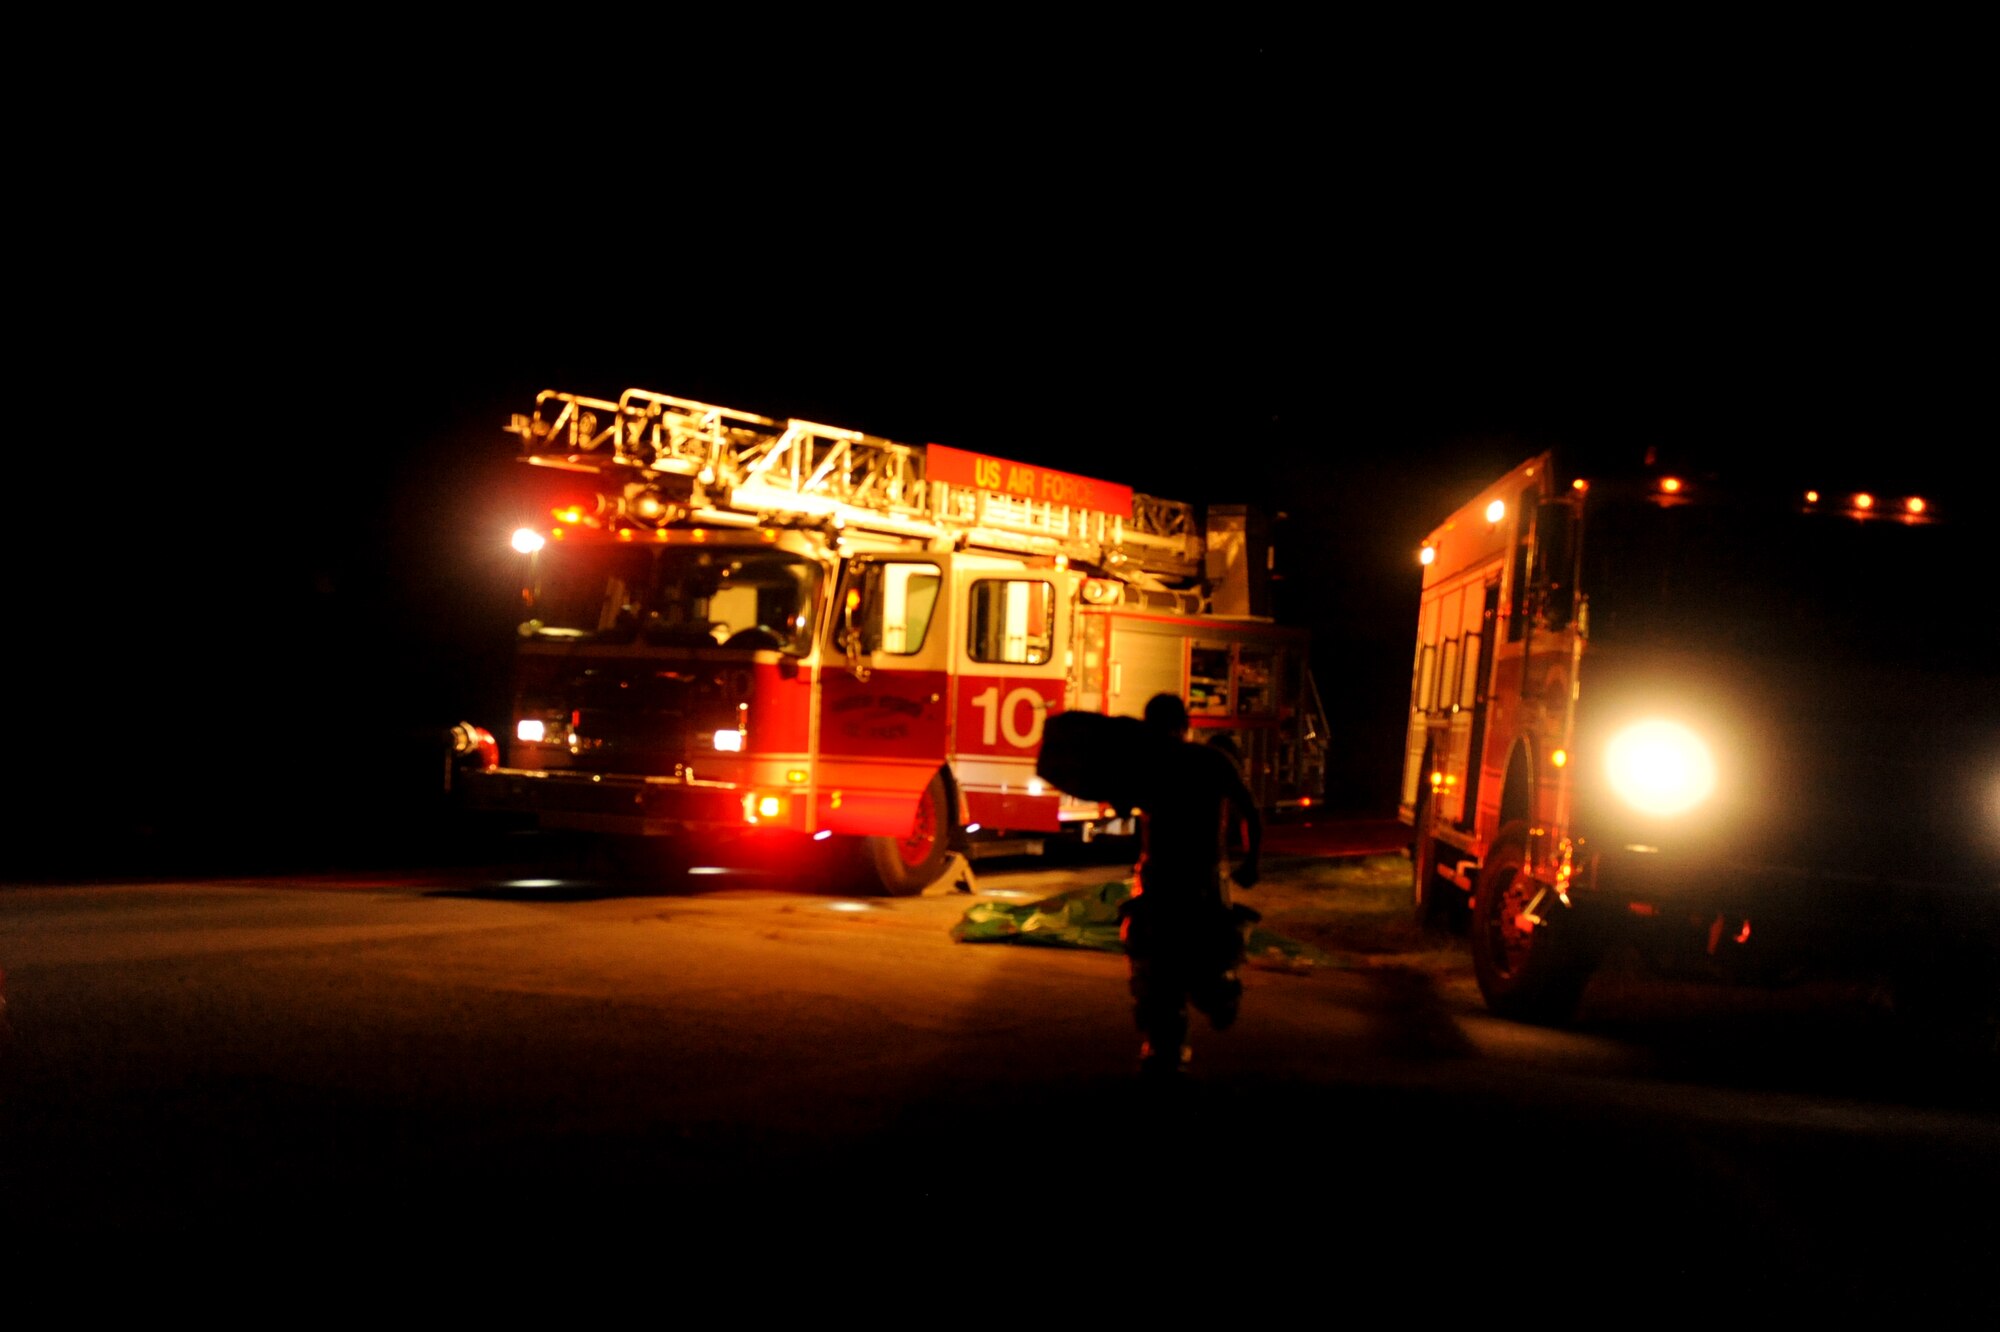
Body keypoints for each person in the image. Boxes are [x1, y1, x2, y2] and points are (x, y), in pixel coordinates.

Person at [1119, 692, 1263, 1081]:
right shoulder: (1209, 761)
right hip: (1199, 882)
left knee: (1158, 973)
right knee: (1191, 967)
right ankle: (1179, 1036)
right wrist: (1251, 860)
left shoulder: (1151, 766)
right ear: (1185, 724)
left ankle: (1169, 1045)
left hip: (1166, 883)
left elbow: (1117, 802)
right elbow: (1250, 808)